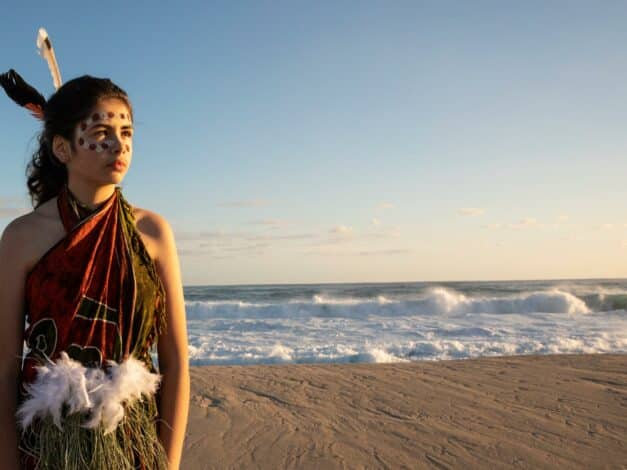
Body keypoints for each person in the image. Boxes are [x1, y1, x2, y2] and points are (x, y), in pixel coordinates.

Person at [0, 70, 190, 469]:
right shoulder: (21, 237)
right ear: (62, 148)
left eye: (127, 132)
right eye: (101, 132)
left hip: (133, 444)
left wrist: (169, 464)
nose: (118, 144)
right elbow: (4, 365)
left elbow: (174, 362)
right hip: (44, 444)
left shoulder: (153, 232)